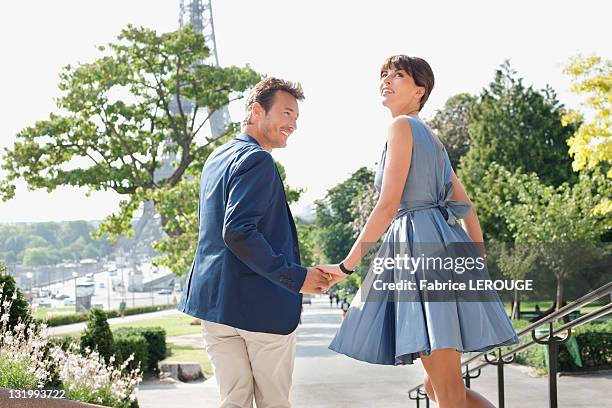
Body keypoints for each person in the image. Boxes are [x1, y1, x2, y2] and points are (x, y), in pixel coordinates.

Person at [318, 55, 519, 408]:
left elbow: (388, 204)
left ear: (420, 91)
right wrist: (476, 260)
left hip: (418, 250)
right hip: (437, 246)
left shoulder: (401, 128)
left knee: (449, 394)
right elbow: (466, 207)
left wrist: (347, 266)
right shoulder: (432, 138)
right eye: (384, 75)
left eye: (399, 75)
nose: (387, 80)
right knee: (436, 387)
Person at [178, 78, 333, 408]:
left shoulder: (216, 158)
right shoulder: (258, 159)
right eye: (286, 113)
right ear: (257, 110)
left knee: (232, 401)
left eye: (296, 118)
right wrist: (296, 276)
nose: (292, 124)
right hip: (259, 308)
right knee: (273, 403)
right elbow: (237, 231)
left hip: (214, 306)